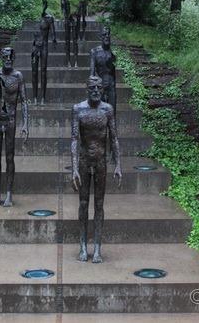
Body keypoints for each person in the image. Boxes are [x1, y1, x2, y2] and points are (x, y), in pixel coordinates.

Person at [71, 76, 122, 263]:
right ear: (87, 89)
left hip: (100, 162)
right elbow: (74, 139)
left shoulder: (107, 110)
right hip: (84, 161)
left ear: (102, 89)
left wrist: (118, 163)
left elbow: (114, 137)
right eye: (92, 87)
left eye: (98, 88)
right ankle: (83, 246)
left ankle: (98, 248)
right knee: (83, 204)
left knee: (99, 205)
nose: (95, 91)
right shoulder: (78, 109)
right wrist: (74, 168)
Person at [0, 47, 29, 207]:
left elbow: (24, 101)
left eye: (11, 56)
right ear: (2, 58)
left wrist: (26, 124)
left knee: (9, 157)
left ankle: (8, 194)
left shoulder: (18, 76)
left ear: (13, 58)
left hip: (11, 120)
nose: (8, 59)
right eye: (6, 56)